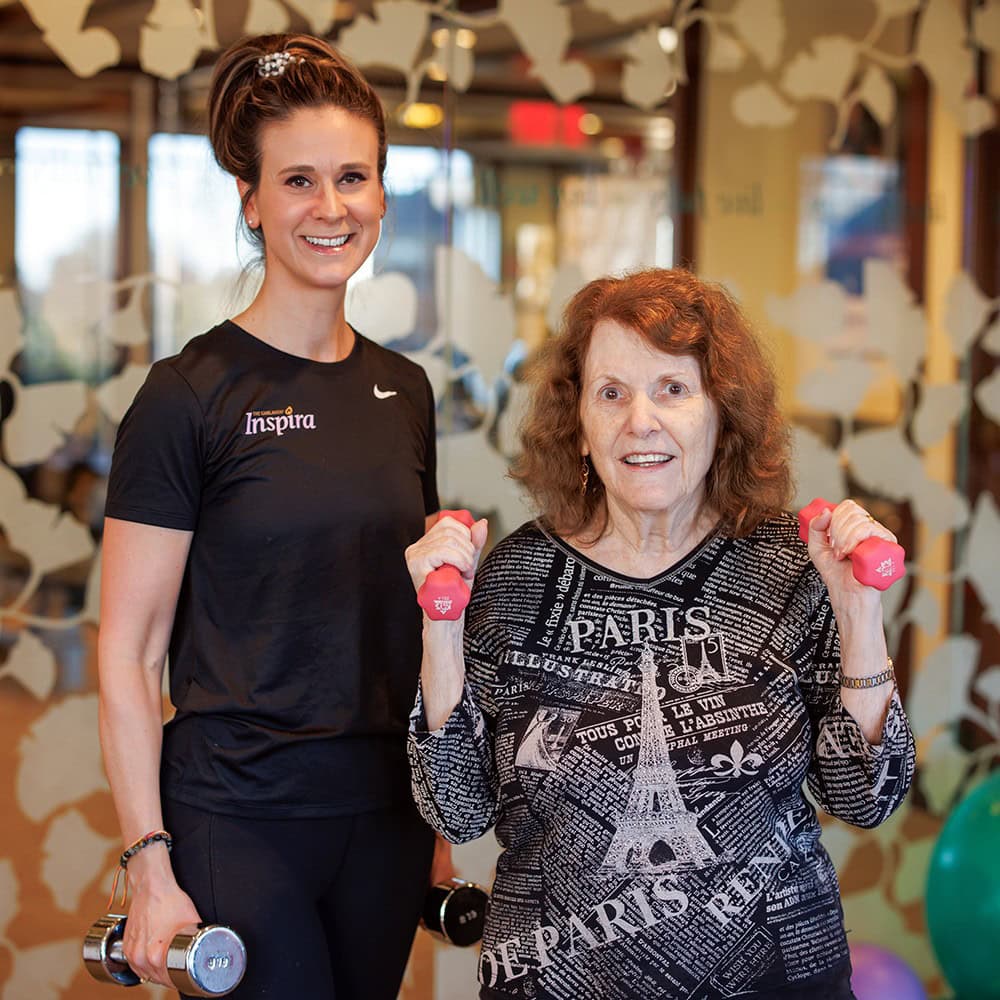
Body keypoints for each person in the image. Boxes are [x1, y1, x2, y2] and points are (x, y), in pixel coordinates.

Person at [405, 268, 916, 1000]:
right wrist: (439, 628)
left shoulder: (790, 565)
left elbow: (867, 798)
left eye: (673, 390)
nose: (640, 419)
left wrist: (858, 614)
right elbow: (455, 809)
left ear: (721, 414)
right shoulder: (516, 577)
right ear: (579, 425)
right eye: (611, 393)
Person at [98, 33, 443, 999]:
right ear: (250, 201)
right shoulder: (187, 395)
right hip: (238, 817)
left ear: (380, 192)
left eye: (353, 178)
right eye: (298, 180)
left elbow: (405, 623)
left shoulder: (404, 390)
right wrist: (148, 864)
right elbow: (128, 652)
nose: (330, 208)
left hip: (385, 815)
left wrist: (438, 824)